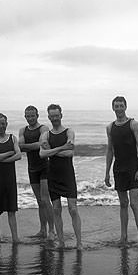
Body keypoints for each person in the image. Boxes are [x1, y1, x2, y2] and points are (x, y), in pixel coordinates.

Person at [39, 104, 82, 250]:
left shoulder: (69, 132)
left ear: (61, 115)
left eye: (57, 115)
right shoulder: (46, 135)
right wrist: (62, 148)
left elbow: (70, 153)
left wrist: (51, 150)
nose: (55, 118)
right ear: (49, 117)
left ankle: (79, 243)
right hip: (53, 175)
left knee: (73, 209)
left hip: (67, 174)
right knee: (56, 209)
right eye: (52, 116)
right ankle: (61, 242)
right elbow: (42, 154)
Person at [104, 96, 138, 245]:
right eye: (116, 106)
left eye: (121, 105)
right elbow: (110, 150)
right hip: (118, 168)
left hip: (133, 167)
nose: (119, 108)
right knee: (123, 204)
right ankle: (123, 237)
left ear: (125, 107)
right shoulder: (110, 127)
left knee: (134, 203)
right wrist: (107, 172)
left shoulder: (133, 124)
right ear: (113, 108)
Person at [18, 106, 54, 240]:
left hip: (45, 166)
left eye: (33, 116)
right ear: (25, 116)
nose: (30, 118)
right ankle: (42, 230)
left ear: (37, 115)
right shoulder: (23, 130)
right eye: (28, 116)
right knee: (39, 201)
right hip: (32, 168)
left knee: (46, 199)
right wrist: (35, 145)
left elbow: (41, 144)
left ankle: (52, 231)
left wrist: (29, 146)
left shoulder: (43, 129)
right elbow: (21, 148)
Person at [0, 113, 22, 244]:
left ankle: (15, 238)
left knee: (12, 210)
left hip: (10, 180)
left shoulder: (12, 138)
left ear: (6, 124)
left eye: (3, 123)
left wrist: (1, 158)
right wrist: (8, 153)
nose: (1, 126)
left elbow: (19, 155)